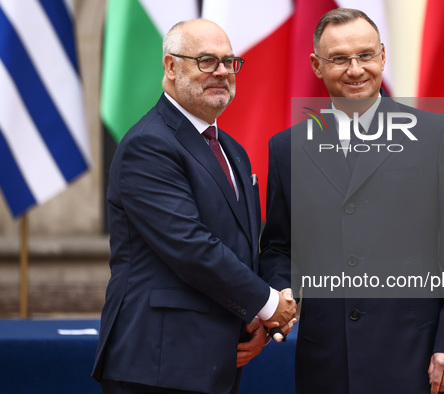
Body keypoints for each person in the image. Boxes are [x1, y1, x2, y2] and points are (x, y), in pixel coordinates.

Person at [259, 8, 444, 394]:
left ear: (383, 55)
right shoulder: (287, 148)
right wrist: (281, 290)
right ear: (316, 65)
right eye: (339, 59)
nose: (355, 69)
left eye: (365, 55)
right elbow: (280, 246)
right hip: (326, 360)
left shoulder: (435, 136)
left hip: (416, 358)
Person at [92, 19, 296, 394]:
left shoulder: (232, 150)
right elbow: (190, 245)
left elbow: (248, 248)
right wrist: (268, 305)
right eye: (206, 61)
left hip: (216, 360)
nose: (221, 72)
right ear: (171, 67)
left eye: (229, 61)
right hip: (157, 364)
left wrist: (255, 321)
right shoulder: (148, 145)